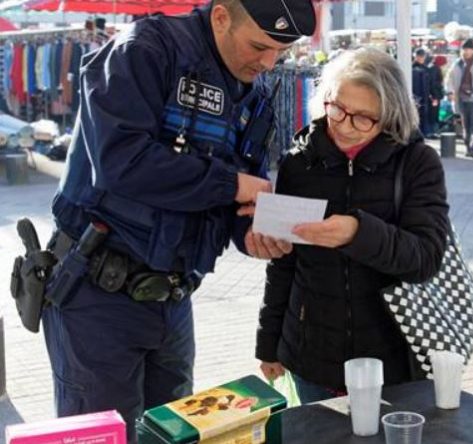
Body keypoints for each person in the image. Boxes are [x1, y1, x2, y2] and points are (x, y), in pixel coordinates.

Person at [44, 0, 314, 439]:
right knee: (104, 436)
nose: (268, 63)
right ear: (222, 16)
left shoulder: (256, 91)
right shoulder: (143, 51)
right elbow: (119, 162)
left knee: (173, 432)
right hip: (98, 298)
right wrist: (233, 186)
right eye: (259, 46)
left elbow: (242, 191)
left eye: (280, 54)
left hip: (172, 300)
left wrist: (252, 233)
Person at [256, 47, 451, 403]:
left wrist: (358, 233)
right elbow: (284, 263)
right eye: (337, 108)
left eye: (363, 118)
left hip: (395, 360)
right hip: (312, 355)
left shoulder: (417, 162)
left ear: (389, 116)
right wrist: (268, 343)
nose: (344, 126)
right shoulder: (299, 163)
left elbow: (426, 258)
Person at [411, 47, 433, 138]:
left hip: (425, 96)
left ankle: (423, 133)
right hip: (415, 96)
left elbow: (431, 83)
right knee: (416, 116)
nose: (420, 58)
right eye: (419, 56)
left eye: (422, 56)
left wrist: (433, 94)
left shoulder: (427, 69)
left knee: (424, 116)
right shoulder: (411, 68)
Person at [426, 54, 446, 138]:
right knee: (433, 113)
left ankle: (432, 131)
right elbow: (433, 83)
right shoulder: (435, 69)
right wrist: (435, 96)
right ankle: (432, 132)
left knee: (433, 113)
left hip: (433, 95)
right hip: (434, 96)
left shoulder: (431, 67)